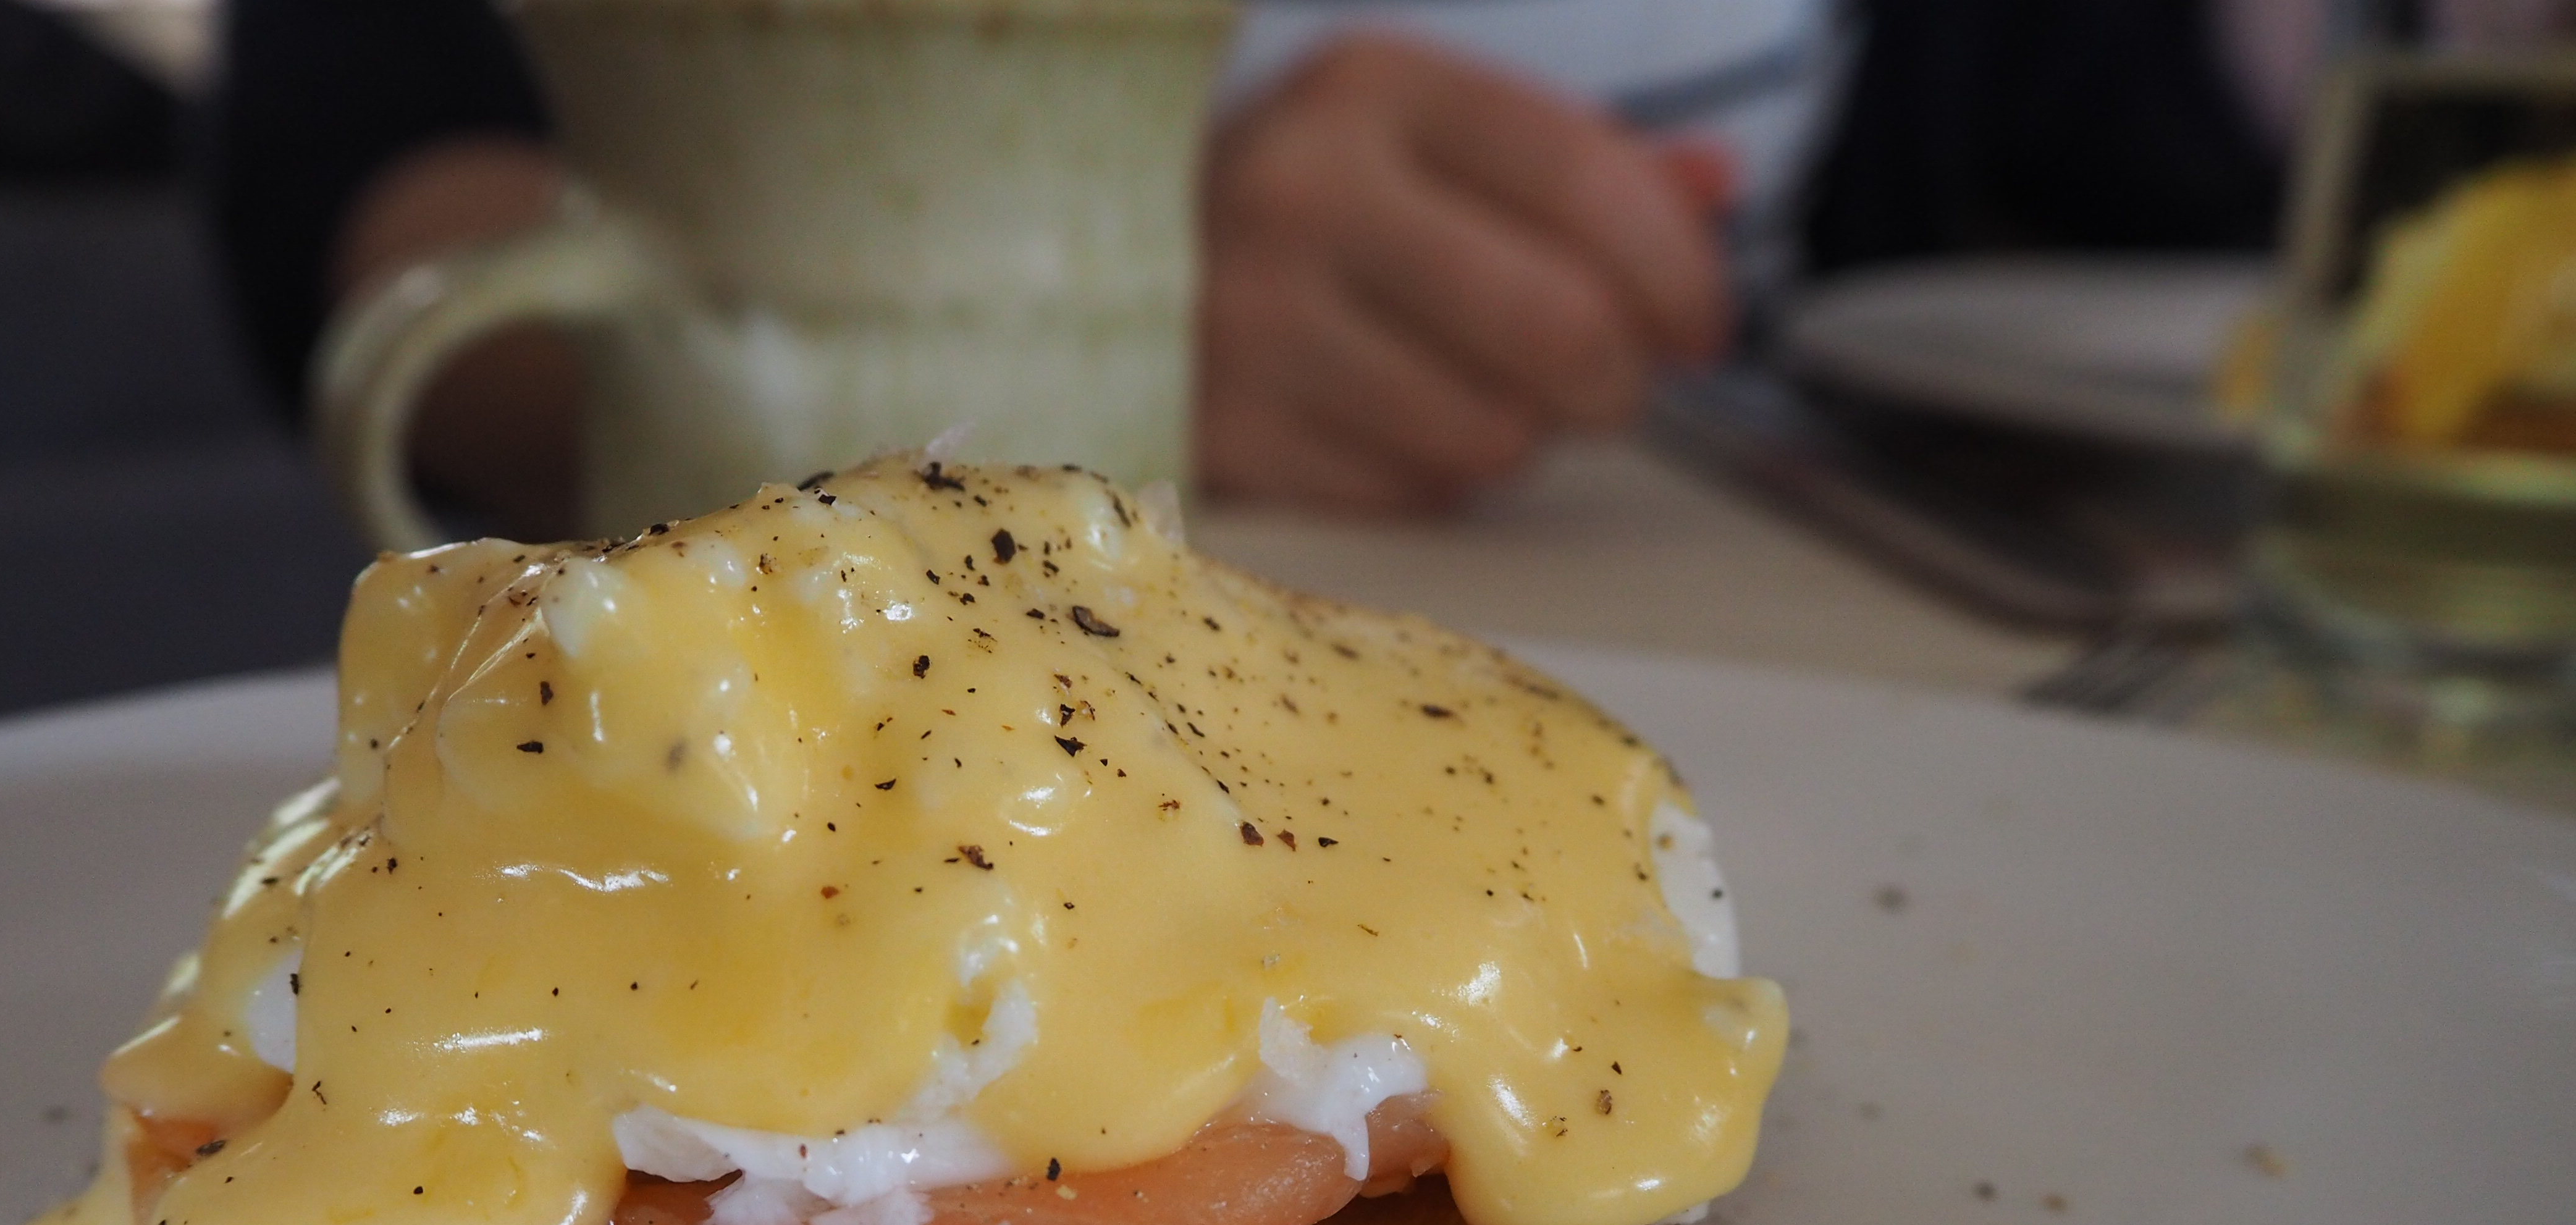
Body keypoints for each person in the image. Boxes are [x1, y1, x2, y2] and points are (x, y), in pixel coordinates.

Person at [211, 0, 2292, 529]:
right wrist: (1025, 294)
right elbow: (358, 175)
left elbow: (2127, 158)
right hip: (806, 754)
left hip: (1811, 625)